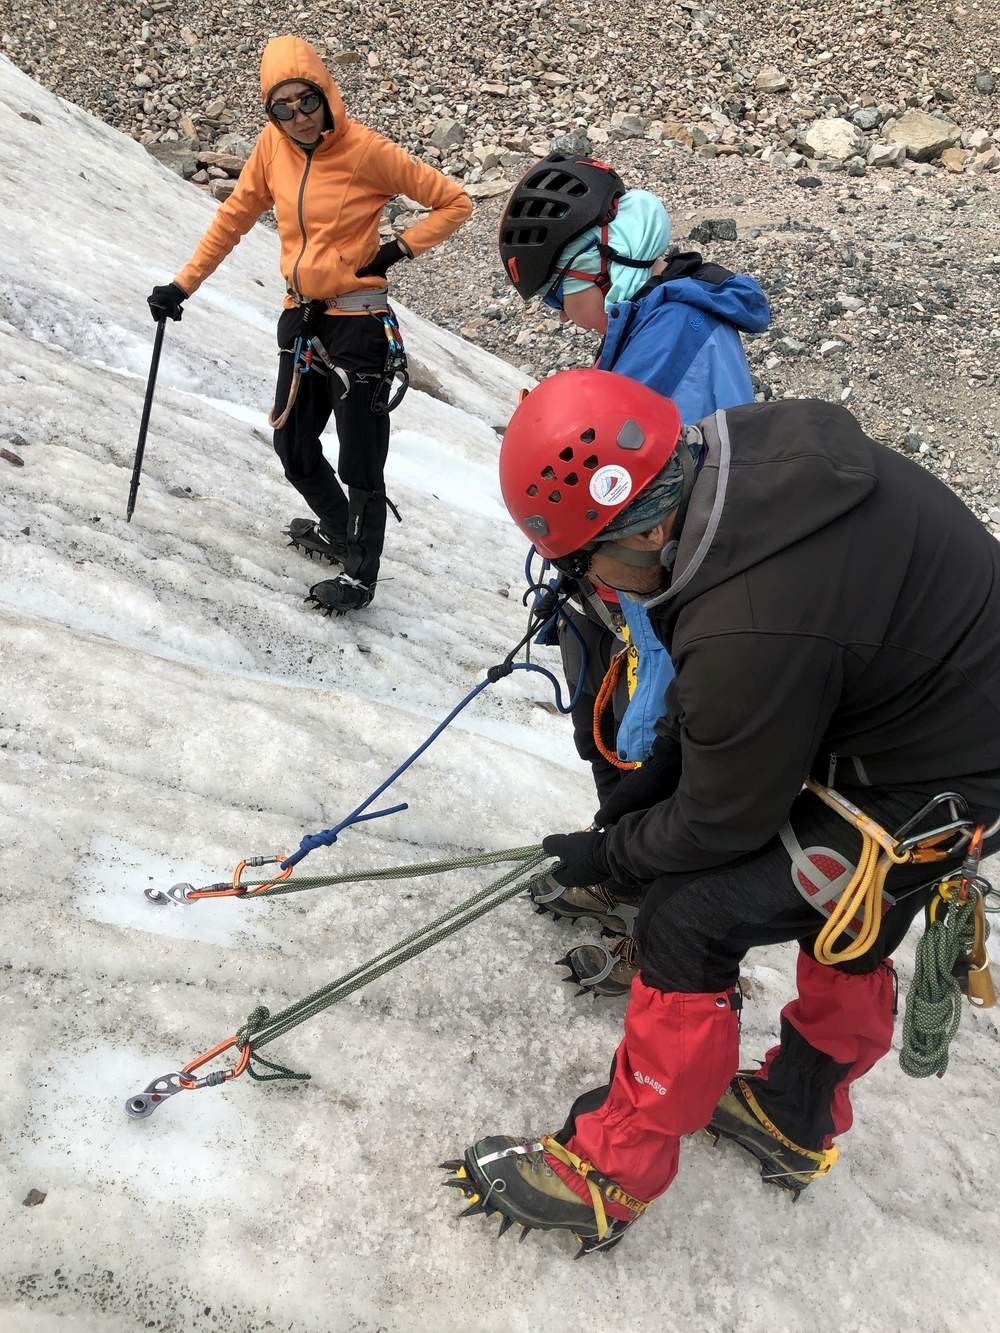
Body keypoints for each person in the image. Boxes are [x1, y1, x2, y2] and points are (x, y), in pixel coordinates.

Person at [444, 368, 1000, 1254]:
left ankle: (615, 1168)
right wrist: (638, 793)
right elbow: (720, 721)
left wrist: (614, 854)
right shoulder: (731, 461)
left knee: (691, 915)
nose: (594, 584)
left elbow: (723, 820)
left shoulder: (754, 619)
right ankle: (793, 1113)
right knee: (841, 908)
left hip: (929, 778)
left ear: (644, 522)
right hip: (927, 724)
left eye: (586, 560)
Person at [498, 155, 770, 990]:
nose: (556, 313)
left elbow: (663, 516)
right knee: (615, 737)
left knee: (647, 752)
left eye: (555, 294)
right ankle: (628, 880)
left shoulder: (671, 343)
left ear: (596, 264)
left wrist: (651, 660)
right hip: (651, 593)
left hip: (676, 605)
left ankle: (653, 923)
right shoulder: (659, 324)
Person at [147, 35, 472, 614]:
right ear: (268, 111)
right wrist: (182, 286)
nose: (296, 117)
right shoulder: (272, 149)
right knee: (293, 444)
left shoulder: (367, 150)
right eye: (281, 107)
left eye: (306, 101)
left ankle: (360, 576)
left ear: (327, 94)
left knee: (359, 458)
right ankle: (341, 531)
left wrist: (397, 251)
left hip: (358, 324)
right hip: (300, 319)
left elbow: (454, 202)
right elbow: (233, 218)